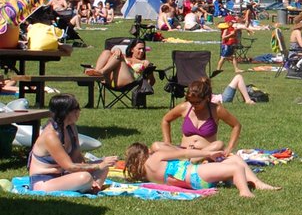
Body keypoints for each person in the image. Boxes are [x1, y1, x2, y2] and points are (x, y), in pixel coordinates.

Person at [26, 94, 117, 193]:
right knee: (85, 177)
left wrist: (99, 166)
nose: (79, 111)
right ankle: (88, 186)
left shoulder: (70, 127)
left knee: (103, 168)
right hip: (45, 181)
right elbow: (69, 166)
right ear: (66, 112)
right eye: (76, 108)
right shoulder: (50, 136)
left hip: (64, 175)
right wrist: (98, 166)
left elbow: (77, 156)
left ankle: (90, 187)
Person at [123, 142, 278, 198]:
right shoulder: (155, 157)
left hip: (194, 182)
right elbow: (185, 153)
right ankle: (245, 192)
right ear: (144, 153)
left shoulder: (146, 175)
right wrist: (208, 153)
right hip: (197, 174)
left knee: (235, 159)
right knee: (236, 167)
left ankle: (256, 183)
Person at [160, 78, 243, 156]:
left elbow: (236, 125)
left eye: (197, 102)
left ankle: (196, 158)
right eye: (191, 102)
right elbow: (165, 120)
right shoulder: (184, 107)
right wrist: (167, 142)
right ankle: (190, 157)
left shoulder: (216, 109)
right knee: (155, 146)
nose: (194, 105)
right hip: (185, 150)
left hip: (207, 152)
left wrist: (230, 147)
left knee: (219, 144)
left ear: (206, 98)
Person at [85, 39, 152, 87]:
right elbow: (114, 52)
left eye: (143, 49)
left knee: (119, 57)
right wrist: (116, 49)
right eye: (139, 49)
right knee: (107, 52)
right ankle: (97, 73)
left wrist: (149, 69)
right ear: (132, 49)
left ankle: (101, 72)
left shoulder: (144, 62)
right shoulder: (124, 57)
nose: (142, 51)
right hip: (110, 80)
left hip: (128, 82)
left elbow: (152, 81)